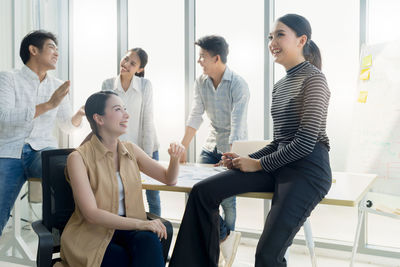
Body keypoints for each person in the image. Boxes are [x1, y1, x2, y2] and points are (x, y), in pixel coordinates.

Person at [170, 14, 332, 267]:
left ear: (301, 40)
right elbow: (280, 141)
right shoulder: (280, 86)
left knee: (267, 254)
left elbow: (305, 142)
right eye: (270, 36)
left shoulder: (314, 80)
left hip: (308, 170)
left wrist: (258, 164)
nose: (272, 42)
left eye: (280, 35)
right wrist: (247, 159)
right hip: (280, 164)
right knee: (203, 192)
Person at [56, 91, 185, 267]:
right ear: (99, 119)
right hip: (92, 233)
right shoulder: (78, 158)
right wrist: (141, 224)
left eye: (124, 108)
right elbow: (91, 214)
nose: (127, 114)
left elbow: (168, 178)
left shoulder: (131, 150)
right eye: (118, 109)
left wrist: (175, 158)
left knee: (149, 242)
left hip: (129, 227)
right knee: (122, 258)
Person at [0, 30, 84, 236]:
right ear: (33, 50)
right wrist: (49, 104)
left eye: (57, 50)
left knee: (68, 173)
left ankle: (63, 240)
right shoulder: (7, 78)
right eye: (51, 48)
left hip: (42, 151)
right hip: (9, 151)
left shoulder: (58, 85)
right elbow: (4, 117)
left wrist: (80, 115)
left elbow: (66, 125)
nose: (57, 53)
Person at [179, 35, 250, 266]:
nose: (199, 61)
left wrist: (229, 156)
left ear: (216, 58)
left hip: (233, 147)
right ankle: (224, 237)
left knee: (227, 200)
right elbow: (195, 115)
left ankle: (224, 251)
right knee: (195, 190)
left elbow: (237, 126)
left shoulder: (238, 85)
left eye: (202, 57)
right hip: (211, 145)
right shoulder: (201, 82)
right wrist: (183, 145)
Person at [102, 48, 162, 216]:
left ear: (140, 69)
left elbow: (147, 121)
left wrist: (147, 157)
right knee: (125, 194)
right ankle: (132, 229)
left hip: (146, 147)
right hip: (120, 151)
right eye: (126, 59)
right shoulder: (108, 84)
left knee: (153, 195)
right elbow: (105, 120)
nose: (126, 64)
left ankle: (160, 235)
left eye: (133, 63)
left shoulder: (145, 85)